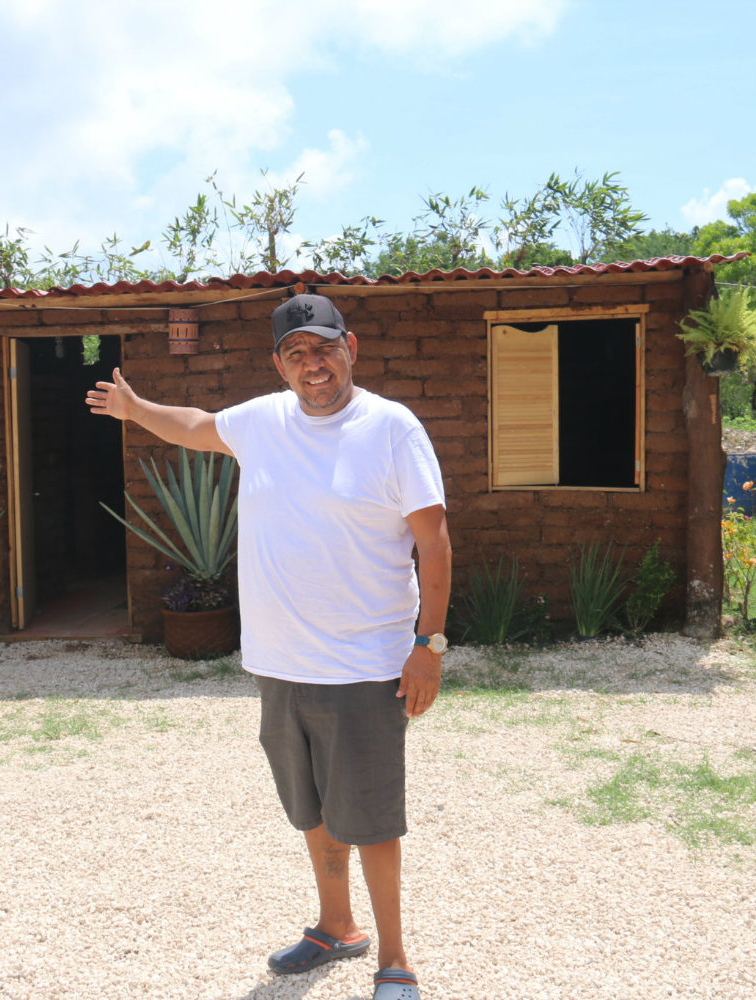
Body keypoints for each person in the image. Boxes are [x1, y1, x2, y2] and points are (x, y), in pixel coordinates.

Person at [86, 293, 451, 1000]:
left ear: (351, 347)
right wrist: (137, 410)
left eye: (324, 348)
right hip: (281, 664)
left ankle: (395, 960)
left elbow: (433, 542)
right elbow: (196, 426)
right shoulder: (263, 422)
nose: (314, 365)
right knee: (311, 810)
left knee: (370, 818)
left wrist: (427, 645)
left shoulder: (392, 430)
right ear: (279, 364)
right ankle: (336, 927)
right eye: (297, 354)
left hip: (364, 666)